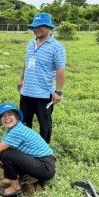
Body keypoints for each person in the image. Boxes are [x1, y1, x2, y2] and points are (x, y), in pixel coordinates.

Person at [0, 102, 56, 197]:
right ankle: (33, 178)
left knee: (6, 154)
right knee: (8, 152)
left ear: (17, 117)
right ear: (0, 121)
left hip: (45, 166)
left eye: (10, 114)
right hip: (43, 163)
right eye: (3, 116)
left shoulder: (17, 131)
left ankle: (15, 187)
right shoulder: (13, 130)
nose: (7, 118)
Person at [17, 13, 66, 144]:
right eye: (34, 27)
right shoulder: (30, 43)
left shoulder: (57, 47)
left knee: (45, 126)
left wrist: (58, 92)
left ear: (49, 27)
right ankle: (26, 148)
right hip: (27, 92)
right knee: (24, 124)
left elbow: (60, 70)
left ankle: (44, 152)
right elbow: (27, 63)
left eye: (40, 26)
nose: (36, 29)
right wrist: (22, 80)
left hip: (44, 95)